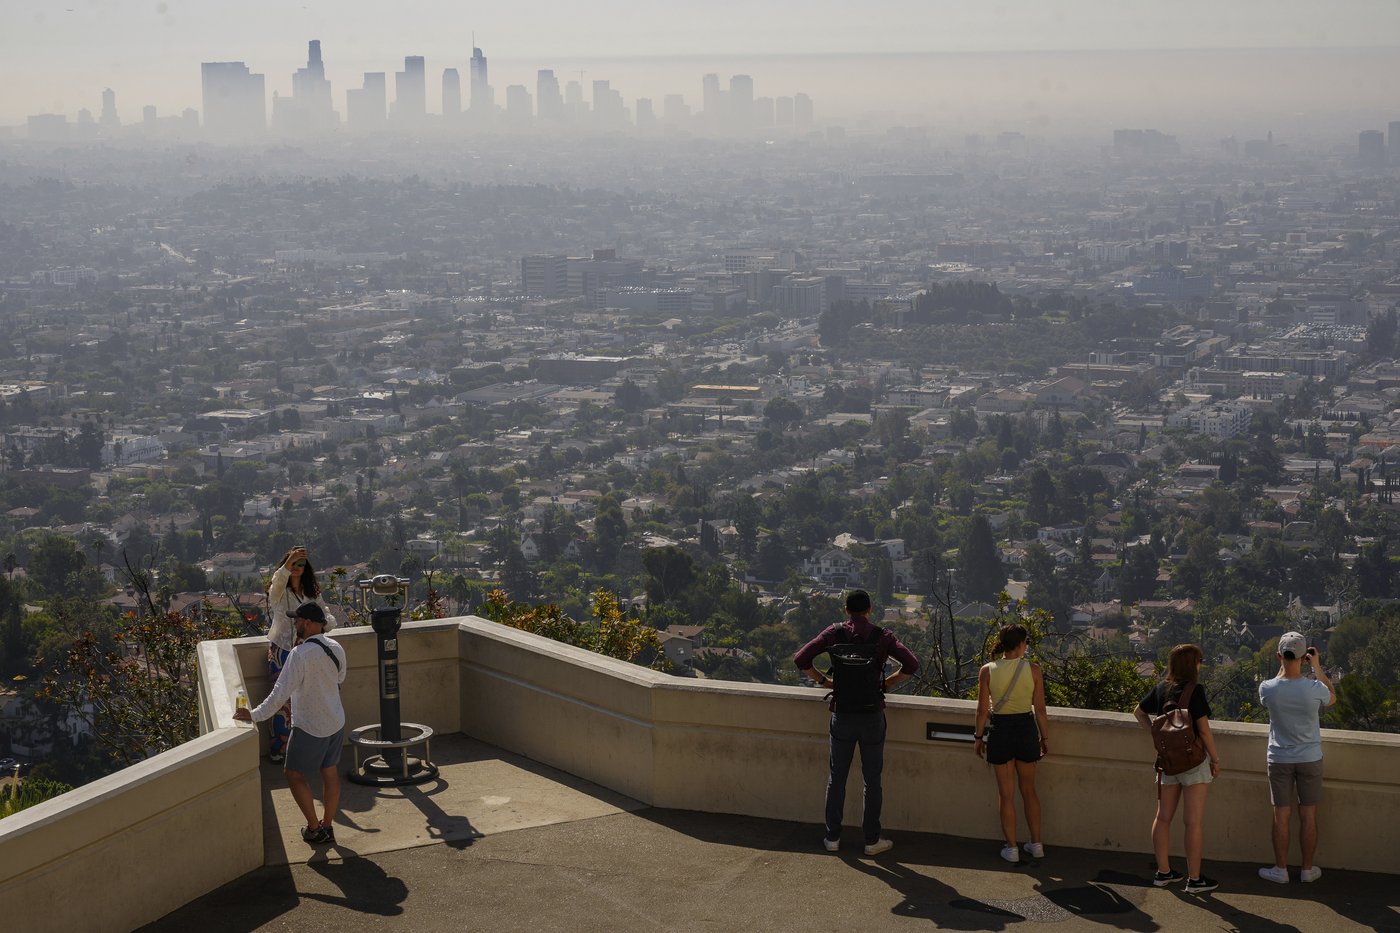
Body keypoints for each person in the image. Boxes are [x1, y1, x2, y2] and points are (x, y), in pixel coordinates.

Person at [794, 589, 919, 857]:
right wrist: (886, 683)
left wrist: (824, 681)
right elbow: (911, 664)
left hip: (842, 712)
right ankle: (872, 840)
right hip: (872, 713)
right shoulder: (882, 636)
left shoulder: (834, 633)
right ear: (870, 610)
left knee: (836, 777)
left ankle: (832, 837)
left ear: (846, 610)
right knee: (872, 780)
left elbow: (800, 659)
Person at [234, 602, 347, 845]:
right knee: (330, 772)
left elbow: (280, 693)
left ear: (307, 623)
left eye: (297, 620)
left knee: (293, 774)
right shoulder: (336, 647)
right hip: (335, 721)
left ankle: (315, 829)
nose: (295, 624)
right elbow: (340, 678)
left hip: (310, 725)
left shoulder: (300, 654)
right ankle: (328, 826)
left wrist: (253, 715)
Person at [1133, 643, 1222, 894]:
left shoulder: (1162, 688)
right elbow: (1203, 730)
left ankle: (1163, 873)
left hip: (1167, 762)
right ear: (1194, 664)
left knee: (1162, 817)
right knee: (1192, 823)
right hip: (1193, 762)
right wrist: (1215, 760)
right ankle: (1194, 879)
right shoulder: (1195, 690)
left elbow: (1138, 712)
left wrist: (1155, 733)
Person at [1257, 631, 1335, 885]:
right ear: (1304, 657)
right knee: (1309, 815)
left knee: (1281, 815)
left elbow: (1277, 687)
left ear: (1279, 655)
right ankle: (1307, 869)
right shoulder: (1314, 688)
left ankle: (1280, 870)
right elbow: (1332, 698)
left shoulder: (1267, 688)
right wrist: (1317, 667)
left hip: (1279, 757)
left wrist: (1286, 670)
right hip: (1310, 757)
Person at [973, 624, 1050, 864]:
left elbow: (983, 710)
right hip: (1026, 729)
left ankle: (1012, 847)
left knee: (1006, 795)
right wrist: (1044, 737)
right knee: (1029, 791)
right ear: (1021, 644)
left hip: (1001, 731)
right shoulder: (1033, 670)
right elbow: (1040, 710)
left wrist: (978, 737)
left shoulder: (988, 670)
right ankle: (1036, 844)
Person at [265, 546, 335, 762]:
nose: (296, 568)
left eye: (300, 564)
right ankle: (279, 749)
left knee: (308, 699)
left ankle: (304, 749)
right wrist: (288, 563)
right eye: (292, 564)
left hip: (307, 652)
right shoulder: (279, 592)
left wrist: (323, 627)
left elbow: (327, 616)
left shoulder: (312, 593)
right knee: (281, 700)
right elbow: (277, 582)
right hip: (282, 651)